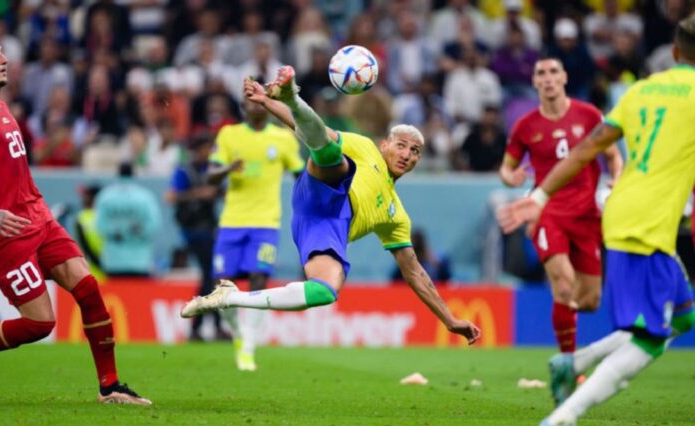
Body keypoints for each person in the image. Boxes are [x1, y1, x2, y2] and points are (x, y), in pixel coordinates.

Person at [497, 16, 695, 426]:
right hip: (647, 225)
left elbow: (588, 149)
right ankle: (562, 419)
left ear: (674, 52)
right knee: (649, 339)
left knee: (684, 317)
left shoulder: (640, 91)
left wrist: (539, 194)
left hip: (620, 211)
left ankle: (573, 362)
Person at [181, 66, 481, 349]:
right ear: (385, 145)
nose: (406, 154)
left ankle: (231, 297)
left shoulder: (397, 216)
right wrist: (271, 102)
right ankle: (293, 97)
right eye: (400, 145)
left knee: (325, 291)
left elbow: (415, 273)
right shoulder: (366, 148)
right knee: (332, 155)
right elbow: (314, 131)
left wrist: (450, 320)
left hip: (326, 228)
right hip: (323, 190)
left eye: (414, 151)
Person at [0, 31, 150, 404]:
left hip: (40, 220)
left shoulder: (2, 107)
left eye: (2, 52)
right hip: (5, 233)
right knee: (40, 323)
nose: (4, 59)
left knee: (89, 289)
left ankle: (110, 386)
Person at [499, 57, 623, 357]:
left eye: (553, 71)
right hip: (547, 213)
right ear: (534, 82)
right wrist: (511, 177)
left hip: (586, 215)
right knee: (564, 285)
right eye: (541, 73)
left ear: (564, 77)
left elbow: (613, 155)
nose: (548, 78)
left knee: (590, 300)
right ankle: (567, 364)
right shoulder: (526, 126)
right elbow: (506, 168)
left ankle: (563, 316)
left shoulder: (589, 114)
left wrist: (617, 178)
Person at [206, 95, 304, 371]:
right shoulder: (229, 134)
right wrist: (228, 168)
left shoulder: (283, 139)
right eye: (250, 100)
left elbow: (300, 175)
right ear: (243, 107)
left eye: (261, 101)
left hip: (266, 223)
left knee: (259, 278)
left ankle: (249, 346)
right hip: (232, 221)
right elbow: (211, 175)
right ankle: (238, 332)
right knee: (220, 286)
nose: (256, 105)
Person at [166, 134, 230, 342]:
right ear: (196, 150)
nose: (208, 153)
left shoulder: (212, 170)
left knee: (210, 276)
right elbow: (171, 196)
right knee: (212, 276)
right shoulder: (185, 171)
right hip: (193, 230)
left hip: (210, 228)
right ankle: (211, 327)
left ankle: (200, 328)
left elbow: (220, 192)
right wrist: (199, 194)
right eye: (205, 148)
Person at [95, 162, 162, 277]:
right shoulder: (145, 196)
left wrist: (118, 232)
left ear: (118, 173)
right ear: (134, 173)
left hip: (113, 261)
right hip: (140, 261)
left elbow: (100, 226)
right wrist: (135, 232)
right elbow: (154, 225)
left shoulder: (105, 196)